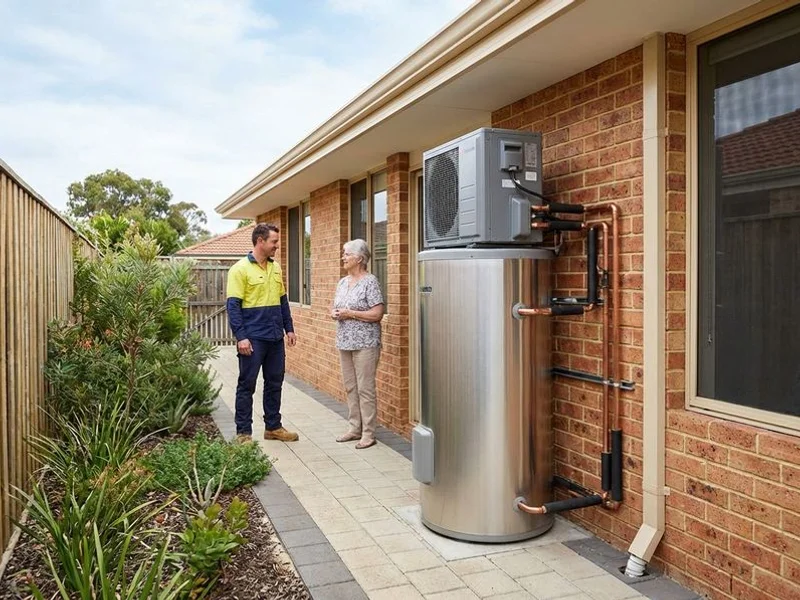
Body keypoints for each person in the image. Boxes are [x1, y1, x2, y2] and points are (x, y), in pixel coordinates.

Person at [226, 223, 299, 443]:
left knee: (275, 382)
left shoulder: (275, 268)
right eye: (274, 242)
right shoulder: (239, 269)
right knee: (247, 384)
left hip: (275, 337)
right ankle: (243, 433)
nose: (277, 246)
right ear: (260, 241)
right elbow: (233, 306)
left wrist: (289, 328)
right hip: (253, 338)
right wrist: (241, 337)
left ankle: (273, 427)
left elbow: (282, 300)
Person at [330, 239, 385, 449]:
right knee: (350, 387)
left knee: (365, 388)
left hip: (366, 343)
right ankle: (354, 428)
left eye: (346, 254)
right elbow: (335, 306)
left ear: (359, 258)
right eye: (343, 254)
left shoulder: (370, 281)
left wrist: (350, 313)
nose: (343, 257)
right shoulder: (343, 282)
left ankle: (369, 433)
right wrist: (334, 313)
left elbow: (377, 313)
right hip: (345, 342)